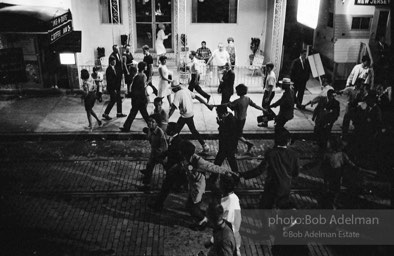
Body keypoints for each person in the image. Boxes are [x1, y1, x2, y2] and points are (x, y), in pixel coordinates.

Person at [178, 141, 234, 230]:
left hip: (198, 187)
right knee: (190, 205)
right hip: (192, 186)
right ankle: (201, 218)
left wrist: (226, 172)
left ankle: (203, 220)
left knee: (192, 208)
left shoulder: (198, 161)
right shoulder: (186, 158)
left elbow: (211, 166)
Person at [240, 128, 299, 209]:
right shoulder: (293, 155)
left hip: (271, 188)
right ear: (288, 141)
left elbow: (259, 170)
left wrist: (242, 175)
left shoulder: (271, 153)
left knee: (265, 209)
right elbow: (295, 173)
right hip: (285, 188)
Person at [150, 122, 187, 211]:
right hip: (174, 169)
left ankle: (158, 205)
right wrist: (163, 155)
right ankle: (179, 187)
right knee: (181, 181)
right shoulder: (174, 139)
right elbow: (170, 151)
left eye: (168, 128)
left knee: (165, 187)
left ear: (172, 130)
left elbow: (180, 158)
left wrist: (172, 167)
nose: (166, 130)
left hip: (174, 169)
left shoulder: (178, 142)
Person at [169, 80, 213, 153]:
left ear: (176, 88)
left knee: (175, 132)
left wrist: (166, 119)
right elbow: (198, 97)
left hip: (185, 116)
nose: (172, 90)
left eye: (173, 89)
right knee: (193, 131)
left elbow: (172, 108)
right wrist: (207, 105)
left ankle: (173, 148)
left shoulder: (177, 94)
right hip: (190, 114)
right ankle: (204, 146)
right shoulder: (186, 90)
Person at [224, 84, 266, 154]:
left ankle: (248, 144)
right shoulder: (247, 99)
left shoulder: (237, 101)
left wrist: (228, 104)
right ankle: (235, 148)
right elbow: (255, 105)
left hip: (237, 120)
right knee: (237, 134)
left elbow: (232, 107)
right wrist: (263, 109)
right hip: (243, 119)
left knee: (237, 135)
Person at [139, 114, 168, 192]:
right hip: (154, 152)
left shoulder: (160, 133)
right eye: (149, 121)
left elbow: (164, 146)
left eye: (153, 122)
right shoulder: (149, 130)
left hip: (161, 154)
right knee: (149, 167)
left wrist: (159, 155)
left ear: (157, 123)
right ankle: (146, 185)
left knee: (168, 168)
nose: (150, 123)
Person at [120, 62, 150, 132]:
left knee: (136, 114)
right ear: (143, 67)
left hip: (137, 99)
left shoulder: (137, 76)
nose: (146, 67)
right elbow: (142, 89)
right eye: (145, 66)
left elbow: (136, 88)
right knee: (142, 114)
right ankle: (126, 127)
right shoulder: (142, 76)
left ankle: (126, 127)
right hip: (140, 99)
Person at [213, 105, 239, 178]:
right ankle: (236, 177)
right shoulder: (228, 118)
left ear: (224, 113)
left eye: (219, 114)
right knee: (229, 162)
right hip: (226, 147)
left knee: (218, 163)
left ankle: (213, 178)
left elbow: (227, 134)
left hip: (227, 146)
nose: (218, 116)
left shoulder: (231, 121)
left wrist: (220, 124)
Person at [258, 62, 276, 127]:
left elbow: (271, 87)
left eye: (266, 67)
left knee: (265, 107)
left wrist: (268, 97)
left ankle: (266, 122)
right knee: (266, 107)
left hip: (269, 93)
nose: (265, 68)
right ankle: (274, 117)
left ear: (269, 68)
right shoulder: (270, 73)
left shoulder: (271, 76)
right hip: (268, 92)